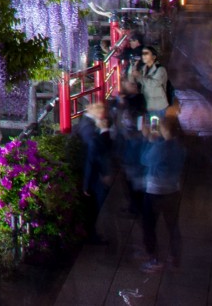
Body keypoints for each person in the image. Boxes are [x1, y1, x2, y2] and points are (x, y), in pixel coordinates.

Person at [140, 116, 186, 271]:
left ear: (165, 129)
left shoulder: (161, 147)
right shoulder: (180, 147)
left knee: (149, 225)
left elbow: (145, 159)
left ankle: (153, 258)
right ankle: (175, 256)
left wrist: (149, 141)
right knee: (172, 225)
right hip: (173, 190)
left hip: (155, 191)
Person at [75, 100, 113, 244]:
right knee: (99, 206)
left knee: (98, 207)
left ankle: (94, 233)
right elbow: (94, 156)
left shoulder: (88, 123)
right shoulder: (90, 128)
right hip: (96, 174)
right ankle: (94, 235)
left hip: (96, 172)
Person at [112, 80, 148, 220]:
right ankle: (136, 205)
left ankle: (136, 206)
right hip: (129, 144)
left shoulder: (137, 101)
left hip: (133, 144)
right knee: (131, 178)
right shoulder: (128, 100)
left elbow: (130, 118)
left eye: (130, 84)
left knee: (133, 178)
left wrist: (122, 104)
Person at [132, 45, 170, 121]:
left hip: (158, 106)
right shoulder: (143, 69)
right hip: (147, 105)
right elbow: (133, 81)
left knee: (157, 129)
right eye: (142, 54)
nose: (143, 56)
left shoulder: (160, 69)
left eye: (146, 53)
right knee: (149, 130)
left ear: (154, 57)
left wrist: (139, 77)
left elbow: (154, 84)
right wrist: (133, 68)